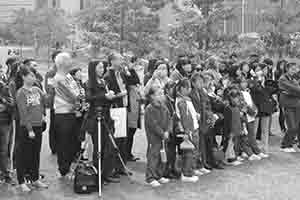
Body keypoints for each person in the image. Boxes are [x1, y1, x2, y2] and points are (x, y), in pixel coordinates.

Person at [85, 60, 119, 185]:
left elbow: (106, 100)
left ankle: (106, 173)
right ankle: (97, 174)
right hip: (95, 118)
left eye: (102, 67)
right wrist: (104, 96)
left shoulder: (104, 82)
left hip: (107, 116)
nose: (102, 69)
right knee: (98, 147)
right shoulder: (89, 83)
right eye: (99, 67)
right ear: (93, 69)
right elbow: (89, 99)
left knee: (108, 146)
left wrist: (110, 97)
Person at [15, 67, 48, 192]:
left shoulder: (37, 90)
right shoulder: (21, 93)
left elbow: (46, 101)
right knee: (23, 154)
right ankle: (21, 181)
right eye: (30, 76)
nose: (33, 78)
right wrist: (29, 129)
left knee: (35, 153)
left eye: (34, 76)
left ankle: (35, 179)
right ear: (23, 77)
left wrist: (54, 89)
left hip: (38, 126)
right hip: (26, 128)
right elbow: (23, 113)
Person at [104, 52, 135, 176]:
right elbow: (107, 96)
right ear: (112, 61)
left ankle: (121, 166)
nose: (122, 61)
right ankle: (111, 168)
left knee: (123, 140)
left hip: (124, 108)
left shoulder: (121, 74)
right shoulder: (108, 76)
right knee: (115, 140)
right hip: (115, 109)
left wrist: (128, 71)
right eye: (120, 59)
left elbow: (133, 80)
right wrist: (119, 95)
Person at [53, 52, 81, 177]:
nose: (71, 63)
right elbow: (73, 95)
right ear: (63, 63)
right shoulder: (59, 78)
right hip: (63, 114)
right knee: (64, 143)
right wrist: (79, 98)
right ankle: (63, 169)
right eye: (69, 61)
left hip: (72, 113)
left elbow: (78, 91)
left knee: (72, 142)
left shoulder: (69, 76)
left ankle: (69, 167)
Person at [145, 86, 171, 187]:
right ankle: (150, 177)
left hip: (163, 138)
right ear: (152, 96)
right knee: (153, 157)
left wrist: (168, 131)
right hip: (154, 139)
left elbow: (170, 119)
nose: (162, 96)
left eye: (162, 93)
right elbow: (153, 125)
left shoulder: (164, 107)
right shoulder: (149, 109)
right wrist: (162, 133)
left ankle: (159, 175)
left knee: (162, 157)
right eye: (159, 94)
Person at [175, 78, 200, 183]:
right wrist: (187, 131)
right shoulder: (181, 101)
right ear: (182, 88)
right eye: (187, 87)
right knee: (189, 152)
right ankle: (186, 173)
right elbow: (184, 118)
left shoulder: (186, 99)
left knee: (193, 151)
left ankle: (191, 170)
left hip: (193, 127)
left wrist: (196, 116)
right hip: (190, 129)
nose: (189, 89)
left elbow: (190, 114)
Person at [279, 62, 300, 153]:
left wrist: (293, 91)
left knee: (296, 126)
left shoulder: (293, 79)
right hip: (288, 105)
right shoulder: (282, 79)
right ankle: (285, 144)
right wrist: (294, 91)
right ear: (287, 69)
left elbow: (294, 90)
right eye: (292, 69)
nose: (294, 71)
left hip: (296, 104)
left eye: (295, 69)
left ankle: (290, 143)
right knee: (292, 126)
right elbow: (293, 89)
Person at [223, 89, 243, 166]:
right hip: (230, 131)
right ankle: (229, 159)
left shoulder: (237, 108)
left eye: (238, 97)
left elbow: (238, 120)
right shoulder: (228, 108)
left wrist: (240, 128)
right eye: (235, 97)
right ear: (231, 98)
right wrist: (229, 132)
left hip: (236, 130)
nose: (237, 99)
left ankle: (234, 157)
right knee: (229, 145)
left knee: (235, 144)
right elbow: (227, 122)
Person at [0, 79, 15, 184]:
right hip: (4, 122)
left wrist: (4, 103)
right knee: (3, 149)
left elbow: (12, 103)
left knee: (6, 149)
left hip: (6, 121)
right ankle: (5, 172)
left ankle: (6, 172)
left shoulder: (3, 87)